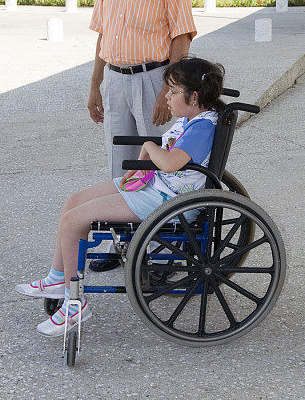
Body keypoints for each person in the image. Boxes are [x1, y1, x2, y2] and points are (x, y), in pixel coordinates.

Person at [16, 58, 225, 337]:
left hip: (168, 199)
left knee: (73, 220)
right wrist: (143, 158)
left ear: (194, 96)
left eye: (173, 92)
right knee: (73, 203)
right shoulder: (192, 119)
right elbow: (167, 158)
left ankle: (75, 302)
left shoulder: (202, 128)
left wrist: (148, 146)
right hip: (156, 185)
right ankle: (57, 279)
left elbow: (170, 163)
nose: (166, 97)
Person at [87, 0, 197, 271]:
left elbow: (181, 36)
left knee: (160, 166)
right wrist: (94, 85)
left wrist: (172, 89)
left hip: (155, 79)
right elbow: (103, 34)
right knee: (121, 164)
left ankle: (163, 251)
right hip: (115, 80)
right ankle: (118, 243)